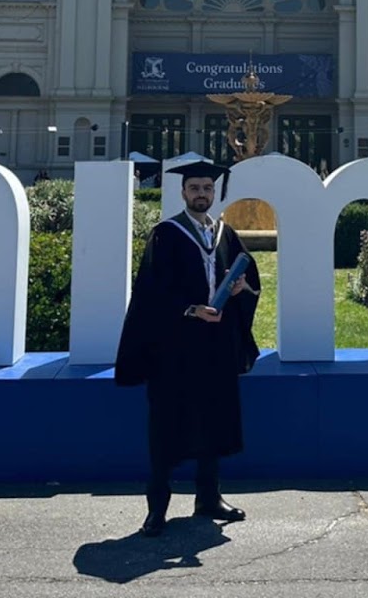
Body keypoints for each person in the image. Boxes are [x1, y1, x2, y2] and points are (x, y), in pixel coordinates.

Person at [114, 160, 261, 537]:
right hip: (175, 346)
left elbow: (248, 277)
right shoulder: (167, 234)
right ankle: (156, 508)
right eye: (194, 188)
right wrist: (191, 309)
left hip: (216, 344)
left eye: (207, 189)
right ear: (183, 192)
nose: (201, 194)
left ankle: (208, 497)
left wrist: (243, 290)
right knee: (166, 422)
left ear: (215, 193)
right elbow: (151, 290)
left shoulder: (225, 234)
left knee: (213, 417)